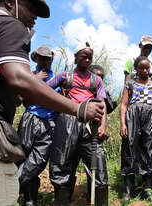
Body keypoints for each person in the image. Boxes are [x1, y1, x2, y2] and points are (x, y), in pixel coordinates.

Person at [0, 1, 104, 205]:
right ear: (10, 2)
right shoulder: (9, 25)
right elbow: (20, 79)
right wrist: (78, 108)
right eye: (31, 7)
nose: (35, 16)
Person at [46, 42, 109, 206]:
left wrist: (103, 126)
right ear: (76, 57)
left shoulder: (97, 80)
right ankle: (62, 202)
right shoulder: (64, 76)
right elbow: (45, 90)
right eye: (84, 57)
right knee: (62, 163)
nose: (87, 60)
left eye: (90, 58)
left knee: (98, 164)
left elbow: (102, 104)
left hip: (89, 125)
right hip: (67, 122)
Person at [16, 45, 60, 206]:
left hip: (49, 123)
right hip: (30, 119)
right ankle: (29, 199)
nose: (45, 61)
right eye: (42, 58)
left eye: (48, 58)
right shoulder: (30, 75)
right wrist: (35, 81)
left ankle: (11, 188)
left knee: (38, 161)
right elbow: (22, 100)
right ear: (36, 59)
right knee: (23, 158)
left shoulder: (57, 78)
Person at [120, 56, 152, 200]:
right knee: (129, 147)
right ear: (135, 69)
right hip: (132, 115)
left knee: (148, 148)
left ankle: (147, 188)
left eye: (147, 68)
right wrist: (123, 124)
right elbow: (124, 104)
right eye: (141, 68)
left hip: (150, 116)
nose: (145, 70)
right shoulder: (130, 83)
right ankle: (128, 190)